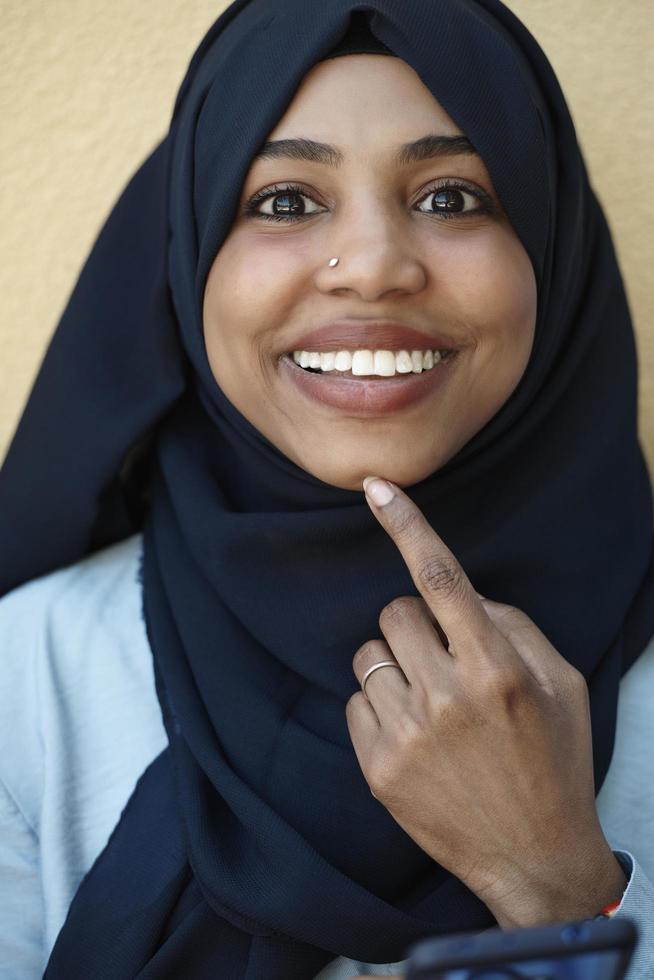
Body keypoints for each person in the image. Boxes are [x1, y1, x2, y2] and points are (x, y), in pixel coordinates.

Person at [0, 1, 653, 977]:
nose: (377, 267)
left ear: (553, 257)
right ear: (188, 262)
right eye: (286, 201)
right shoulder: (31, 672)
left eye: (451, 196)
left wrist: (557, 885)